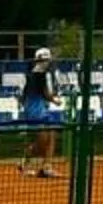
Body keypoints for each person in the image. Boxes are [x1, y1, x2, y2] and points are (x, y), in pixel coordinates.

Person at [19, 45, 64, 178]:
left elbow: (27, 95)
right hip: (35, 111)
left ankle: (46, 167)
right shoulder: (39, 75)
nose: (49, 63)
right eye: (47, 60)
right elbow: (45, 94)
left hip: (39, 109)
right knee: (42, 141)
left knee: (51, 135)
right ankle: (26, 163)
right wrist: (55, 100)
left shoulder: (34, 74)